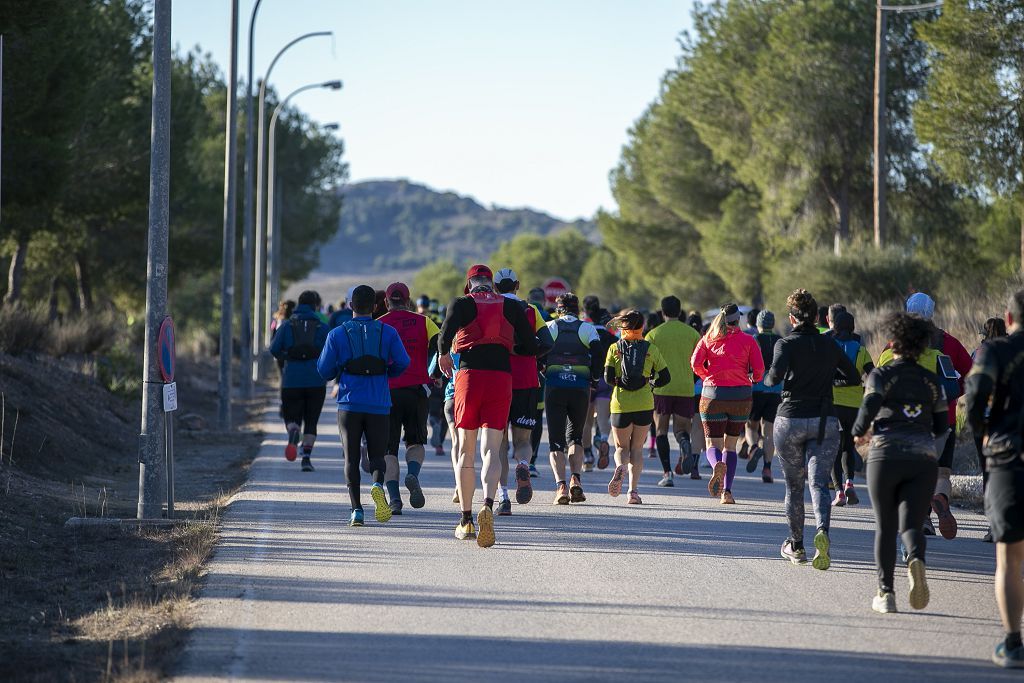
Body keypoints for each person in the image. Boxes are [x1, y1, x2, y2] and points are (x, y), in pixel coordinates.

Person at [436, 265, 539, 547]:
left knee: (466, 450)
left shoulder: (462, 303)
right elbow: (531, 345)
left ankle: (466, 519)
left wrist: (443, 354)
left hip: (469, 378)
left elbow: (445, 334)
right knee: (492, 448)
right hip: (501, 379)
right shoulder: (511, 306)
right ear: (491, 285)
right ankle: (489, 506)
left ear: (469, 285)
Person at [851, 312, 946, 614]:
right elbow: (943, 426)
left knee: (885, 526)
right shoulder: (933, 382)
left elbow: (865, 415)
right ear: (921, 346)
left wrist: (858, 434)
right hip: (922, 458)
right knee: (912, 524)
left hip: (885, 454)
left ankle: (886, 593)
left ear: (893, 343)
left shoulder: (881, 375)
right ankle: (915, 557)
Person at [764, 289, 859, 569]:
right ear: (817, 317)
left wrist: (769, 377)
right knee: (819, 483)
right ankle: (822, 532)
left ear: (792, 318)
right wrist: (830, 380)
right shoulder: (831, 346)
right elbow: (852, 376)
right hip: (824, 421)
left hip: (790, 419)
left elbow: (773, 378)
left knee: (794, 487)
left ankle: (797, 546)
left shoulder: (786, 344)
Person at [877, 292, 972, 539]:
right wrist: (956, 395)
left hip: (907, 422)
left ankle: (922, 520)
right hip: (944, 418)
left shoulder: (893, 346)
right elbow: (969, 375)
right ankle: (940, 498)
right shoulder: (949, 344)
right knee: (941, 472)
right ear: (932, 314)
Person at [964, 289, 1024, 667]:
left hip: (1008, 457)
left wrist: (983, 432)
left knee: (1010, 558)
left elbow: (974, 395)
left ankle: (1013, 643)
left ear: (1009, 317)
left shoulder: (995, 351)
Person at [316, 285, 410, 527]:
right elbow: (403, 362)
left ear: (350, 306)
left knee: (351, 457)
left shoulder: (337, 334)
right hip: (379, 402)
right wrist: (387, 373)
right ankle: (378, 485)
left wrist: (340, 369)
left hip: (349, 403)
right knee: (378, 455)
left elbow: (324, 370)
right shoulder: (387, 332)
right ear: (376, 307)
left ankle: (356, 510)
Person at [690, 303, 764, 504]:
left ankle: (716, 466)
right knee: (730, 446)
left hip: (713, 395)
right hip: (741, 397)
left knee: (712, 443)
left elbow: (695, 364)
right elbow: (759, 370)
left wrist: (707, 376)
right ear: (737, 319)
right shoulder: (749, 340)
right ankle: (727, 492)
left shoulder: (708, 339)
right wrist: (752, 379)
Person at [378, 282, 440, 515]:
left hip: (387, 392)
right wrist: (434, 373)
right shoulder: (425, 322)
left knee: (389, 449)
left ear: (386, 301)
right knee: (415, 442)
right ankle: (412, 473)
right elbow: (441, 347)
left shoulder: (379, 325)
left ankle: (394, 499)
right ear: (408, 300)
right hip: (417, 389)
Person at [495, 268, 553, 514]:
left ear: (496, 287)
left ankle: (503, 496)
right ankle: (522, 464)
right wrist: (529, 355)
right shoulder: (531, 311)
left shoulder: (492, 308)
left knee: (497, 444)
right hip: (528, 381)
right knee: (523, 440)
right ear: (517, 285)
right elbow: (548, 342)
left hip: (497, 380)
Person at [604, 310, 670, 504]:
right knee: (637, 450)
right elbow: (666, 377)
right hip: (644, 404)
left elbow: (608, 378)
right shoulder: (651, 349)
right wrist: (651, 384)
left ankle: (620, 467)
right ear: (642, 327)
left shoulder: (614, 348)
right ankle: (633, 492)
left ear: (623, 326)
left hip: (621, 405)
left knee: (621, 448)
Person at [543, 292, 602, 504]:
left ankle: (561, 487)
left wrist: (544, 369)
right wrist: (594, 377)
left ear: (559, 308)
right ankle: (576, 479)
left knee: (555, 441)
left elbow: (539, 352)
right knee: (576, 436)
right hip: (580, 387)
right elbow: (598, 354)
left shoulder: (551, 326)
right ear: (577, 309)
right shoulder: (587, 328)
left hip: (555, 386)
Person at [269, 291, 329, 472]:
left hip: (291, 380)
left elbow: (273, 349)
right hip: (315, 381)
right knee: (311, 421)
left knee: (291, 417)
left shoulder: (287, 325)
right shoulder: (322, 326)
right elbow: (331, 352)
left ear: (298, 304)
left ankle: (294, 430)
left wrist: (286, 357)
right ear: (315, 306)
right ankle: (306, 458)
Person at [646, 295, 701, 487]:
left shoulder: (653, 334)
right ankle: (685, 444)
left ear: (662, 312)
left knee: (661, 431)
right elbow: (701, 363)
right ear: (679, 311)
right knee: (681, 430)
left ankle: (667, 473)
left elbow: (648, 364)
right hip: (686, 388)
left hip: (661, 388)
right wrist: (690, 380)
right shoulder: (693, 334)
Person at [827, 310, 874, 506]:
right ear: (853, 327)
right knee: (848, 446)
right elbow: (873, 373)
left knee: (833, 449)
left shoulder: (829, 346)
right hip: (855, 405)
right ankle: (850, 483)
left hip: (833, 403)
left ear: (834, 327)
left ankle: (838, 492)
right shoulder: (860, 350)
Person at [975, 317, 1009, 542]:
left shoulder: (980, 352)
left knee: (989, 473)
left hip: (987, 421)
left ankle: (993, 525)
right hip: (1011, 418)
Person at [744, 310, 782, 484]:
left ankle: (752, 448)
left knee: (750, 426)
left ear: (759, 324)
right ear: (772, 324)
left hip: (756, 388)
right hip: (775, 390)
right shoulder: (780, 341)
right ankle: (767, 468)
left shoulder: (753, 341)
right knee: (769, 431)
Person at [583, 309, 616, 471]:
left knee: (586, 421)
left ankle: (588, 455)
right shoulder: (613, 339)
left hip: (589, 380)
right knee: (603, 418)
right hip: (606, 381)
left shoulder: (587, 335)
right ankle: (603, 439)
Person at [270, 299, 297, 373]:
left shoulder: (277, 320)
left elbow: (273, 334)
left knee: (282, 376)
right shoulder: (294, 323)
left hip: (279, 352)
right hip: (290, 353)